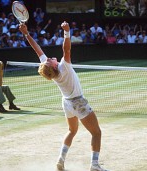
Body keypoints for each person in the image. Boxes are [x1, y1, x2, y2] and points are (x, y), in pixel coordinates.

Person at [19, 21, 109, 171]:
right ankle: (94, 165)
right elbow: (66, 49)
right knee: (96, 133)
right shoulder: (63, 67)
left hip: (67, 103)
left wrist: (26, 34)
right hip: (78, 102)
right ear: (53, 66)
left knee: (72, 131)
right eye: (49, 60)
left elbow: (37, 50)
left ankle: (60, 161)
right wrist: (67, 32)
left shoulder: (51, 71)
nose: (49, 58)